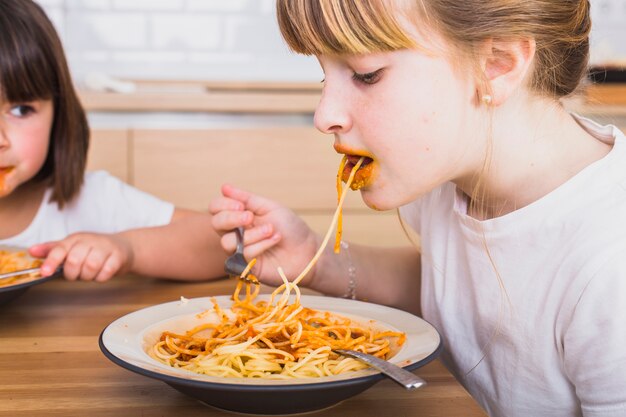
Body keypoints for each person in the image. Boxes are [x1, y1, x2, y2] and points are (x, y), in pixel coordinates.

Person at [209, 1, 626, 416]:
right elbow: (450, 287)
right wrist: (317, 260)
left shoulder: (611, 265)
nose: (325, 115)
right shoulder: (447, 177)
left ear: (497, 63)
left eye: (365, 74)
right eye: (324, 74)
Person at [0, 0, 225, 283]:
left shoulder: (93, 200)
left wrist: (130, 249)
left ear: (57, 114)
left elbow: (220, 246)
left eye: (21, 110)